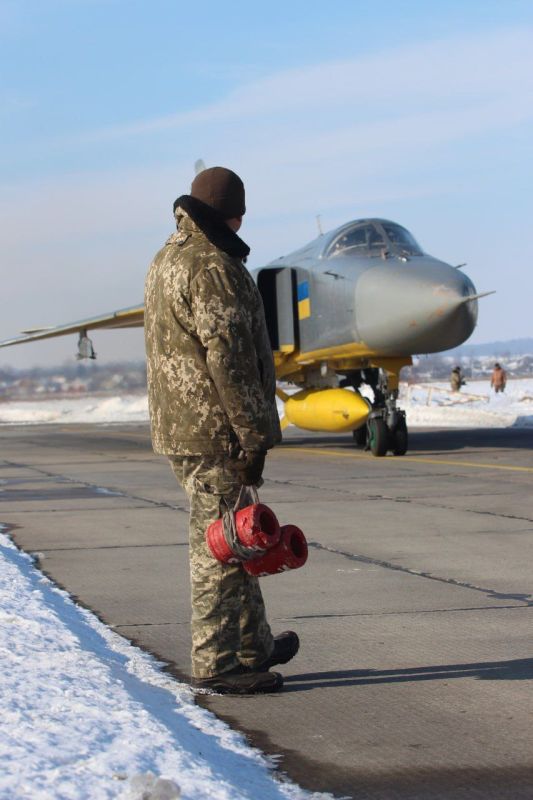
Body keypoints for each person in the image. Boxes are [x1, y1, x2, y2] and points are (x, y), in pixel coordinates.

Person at [144, 167, 298, 694]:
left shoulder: (169, 257)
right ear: (231, 212)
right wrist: (253, 437)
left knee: (241, 536)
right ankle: (218, 662)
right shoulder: (213, 266)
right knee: (219, 547)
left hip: (186, 427)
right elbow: (230, 361)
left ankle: (253, 643)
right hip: (216, 432)